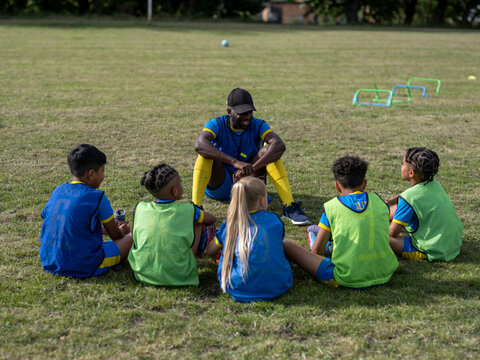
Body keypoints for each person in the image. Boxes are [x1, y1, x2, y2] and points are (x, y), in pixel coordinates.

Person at [192, 88, 310, 226]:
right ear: (229, 111)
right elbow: (200, 144)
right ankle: (196, 208)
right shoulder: (216, 124)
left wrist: (251, 168)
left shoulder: (258, 124)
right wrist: (236, 163)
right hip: (220, 186)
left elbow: (279, 145)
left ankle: (289, 207)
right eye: (242, 113)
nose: (247, 116)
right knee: (205, 154)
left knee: (271, 152)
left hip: (248, 186)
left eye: (249, 112)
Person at [283, 156, 398, 288]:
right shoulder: (379, 201)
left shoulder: (332, 207)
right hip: (385, 273)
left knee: (287, 246)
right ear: (364, 184)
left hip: (345, 278)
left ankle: (315, 236)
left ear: (337, 185)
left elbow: (316, 252)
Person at [40, 144, 133, 278]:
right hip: (83, 265)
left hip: (49, 261)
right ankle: (125, 259)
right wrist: (123, 231)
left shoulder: (58, 190)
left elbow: (64, 221)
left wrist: (102, 230)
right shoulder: (97, 197)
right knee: (132, 238)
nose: (103, 176)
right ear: (91, 173)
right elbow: (116, 236)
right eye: (102, 171)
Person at [205, 176, 292, 302]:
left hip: (236, 287)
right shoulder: (274, 220)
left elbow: (210, 251)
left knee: (227, 249)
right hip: (278, 286)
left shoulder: (230, 224)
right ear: (262, 201)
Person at [128, 164, 216, 286]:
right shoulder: (189, 210)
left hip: (143, 274)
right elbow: (211, 219)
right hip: (181, 275)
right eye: (180, 183)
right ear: (175, 191)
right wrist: (198, 212)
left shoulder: (140, 208)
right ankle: (197, 255)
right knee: (198, 221)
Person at [387, 148, 463, 261]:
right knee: (394, 209)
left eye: (402, 164)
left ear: (411, 173)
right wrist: (389, 202)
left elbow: (392, 233)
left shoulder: (408, 199)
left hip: (433, 250)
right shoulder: (433, 183)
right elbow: (407, 196)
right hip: (453, 243)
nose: (401, 166)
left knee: (382, 238)